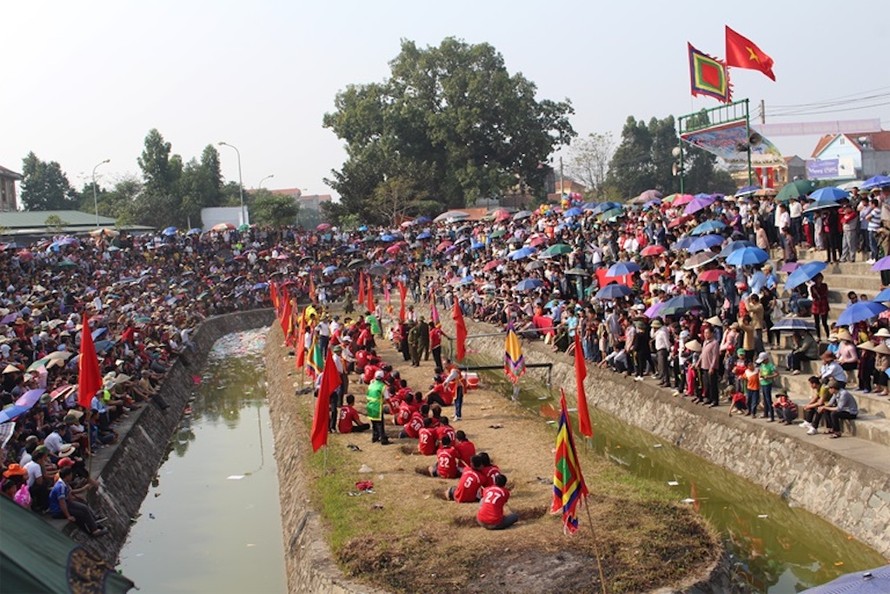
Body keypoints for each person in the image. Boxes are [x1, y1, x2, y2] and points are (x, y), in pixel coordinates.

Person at [48, 466, 107, 537]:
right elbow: (62, 503)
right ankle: (93, 531)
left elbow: (69, 495)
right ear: (67, 476)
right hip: (58, 510)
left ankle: (94, 526)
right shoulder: (60, 487)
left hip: (67, 504)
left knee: (84, 507)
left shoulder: (65, 483)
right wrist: (68, 516)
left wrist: (76, 502)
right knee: (80, 514)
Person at [366, 370, 389, 445]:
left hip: (369, 405)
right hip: (377, 406)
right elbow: (387, 398)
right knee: (380, 424)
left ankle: (374, 437)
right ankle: (383, 439)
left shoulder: (371, 384)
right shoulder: (383, 386)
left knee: (373, 423)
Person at [757, 352, 777, 422]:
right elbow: (760, 371)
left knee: (768, 399)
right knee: (764, 399)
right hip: (762, 383)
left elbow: (776, 374)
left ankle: (771, 416)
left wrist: (768, 377)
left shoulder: (771, 366)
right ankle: (765, 413)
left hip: (768, 384)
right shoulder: (762, 365)